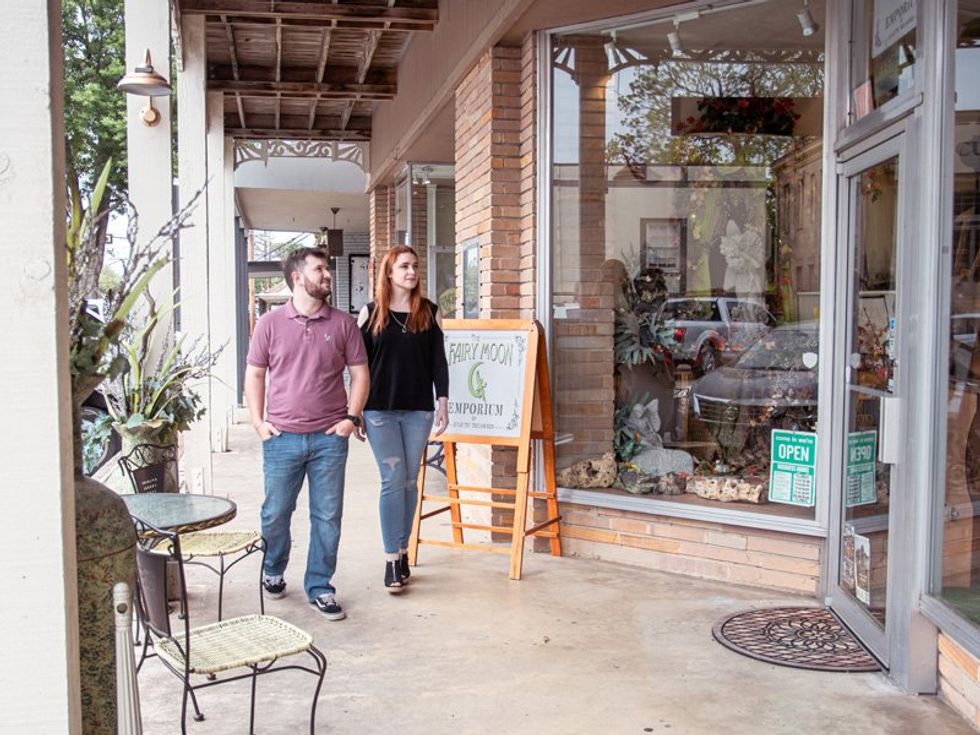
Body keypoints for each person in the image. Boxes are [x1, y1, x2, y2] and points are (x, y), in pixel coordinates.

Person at [244, 247, 369, 620]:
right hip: (281, 437)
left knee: (327, 515)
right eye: (320, 269)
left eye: (327, 268)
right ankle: (274, 567)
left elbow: (361, 374)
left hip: (329, 438)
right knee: (276, 512)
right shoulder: (270, 323)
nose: (327, 274)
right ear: (297, 277)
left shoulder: (343, 324)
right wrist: (257, 421)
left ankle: (321, 585)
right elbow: (255, 373)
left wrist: (352, 418)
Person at [358, 245, 449, 592]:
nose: (411, 272)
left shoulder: (428, 312)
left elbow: (439, 361)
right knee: (392, 480)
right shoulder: (370, 314)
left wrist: (443, 399)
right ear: (389, 272)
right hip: (379, 409)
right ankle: (391, 560)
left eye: (414, 266)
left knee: (411, 482)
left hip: (418, 410)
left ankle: (403, 548)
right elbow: (356, 367)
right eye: (404, 266)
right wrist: (354, 412)